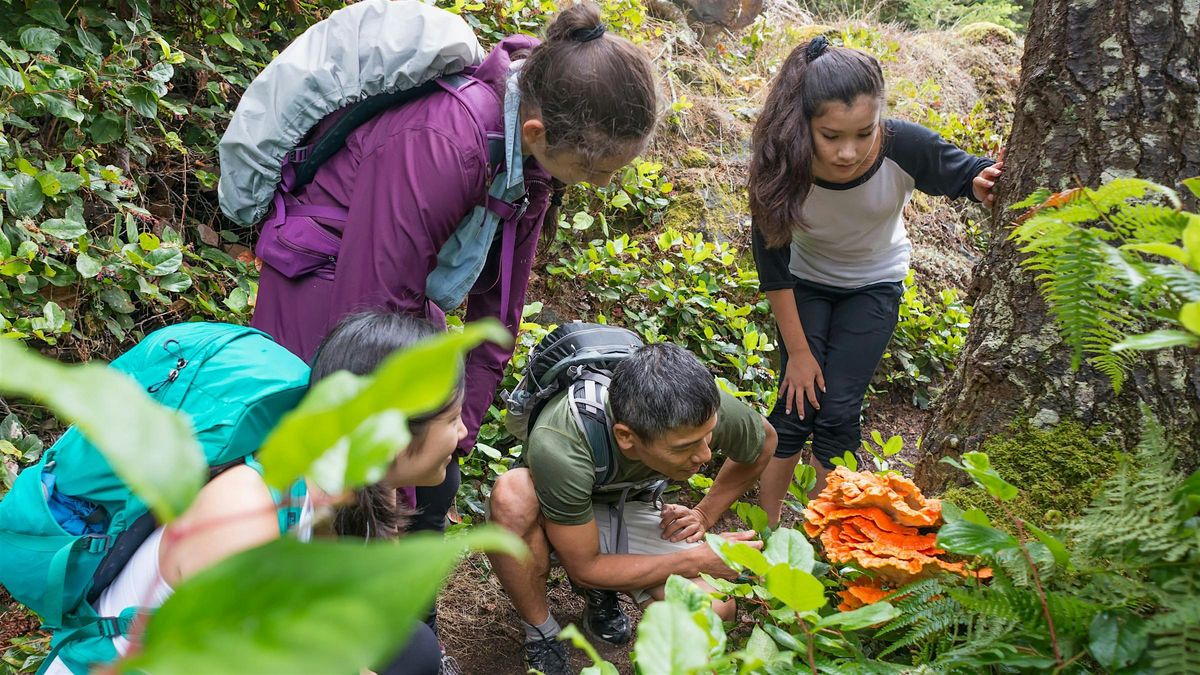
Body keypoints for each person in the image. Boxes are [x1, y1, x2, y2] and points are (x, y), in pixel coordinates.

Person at [249, 3, 661, 545]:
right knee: (332, 490)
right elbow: (371, 313)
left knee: (436, 486)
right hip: (324, 294)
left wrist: (454, 435)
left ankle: (402, 614)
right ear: (537, 131)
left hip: (401, 300)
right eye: (594, 170)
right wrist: (398, 466)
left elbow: (499, 313)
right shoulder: (445, 140)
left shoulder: (529, 158)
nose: (600, 186)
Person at [44, 312, 468, 675]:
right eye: (451, 419)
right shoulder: (245, 514)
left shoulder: (327, 481)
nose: (464, 432)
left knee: (408, 645)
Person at [747, 36, 1005, 527]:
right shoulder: (781, 163)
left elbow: (964, 172)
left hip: (874, 283)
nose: (848, 151)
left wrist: (982, 182)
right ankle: (766, 529)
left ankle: (824, 536)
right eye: (831, 135)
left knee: (838, 414)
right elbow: (774, 268)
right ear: (804, 124)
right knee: (795, 406)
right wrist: (798, 355)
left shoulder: (903, 144)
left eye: (864, 134)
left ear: (880, 120)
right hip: (804, 283)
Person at [486, 343, 776, 675]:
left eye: (708, 437)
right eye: (685, 447)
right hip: (554, 511)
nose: (705, 455)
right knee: (512, 496)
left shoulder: (694, 409)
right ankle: (542, 633)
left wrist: (703, 514)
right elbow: (585, 566)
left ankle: (603, 594)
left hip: (628, 506)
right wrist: (698, 559)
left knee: (714, 608)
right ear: (626, 437)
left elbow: (764, 442)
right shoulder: (562, 441)